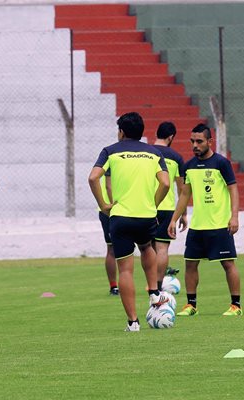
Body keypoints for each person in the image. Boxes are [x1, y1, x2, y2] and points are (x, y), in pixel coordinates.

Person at [88, 112, 170, 332]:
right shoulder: (154, 152)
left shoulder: (110, 151)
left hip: (121, 217)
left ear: (121, 132)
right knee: (146, 247)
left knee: (125, 269)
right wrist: (153, 204)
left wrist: (104, 204)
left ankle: (133, 322)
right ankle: (154, 292)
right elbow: (165, 182)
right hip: (145, 215)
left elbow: (93, 177)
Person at [168, 123, 241, 316]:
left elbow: (233, 189)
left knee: (228, 263)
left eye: (199, 141)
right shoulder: (189, 166)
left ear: (210, 141)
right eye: (192, 141)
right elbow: (185, 195)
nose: (195, 145)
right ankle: (191, 305)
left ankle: (236, 306)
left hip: (219, 224)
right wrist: (174, 219)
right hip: (198, 225)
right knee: (190, 263)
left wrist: (234, 216)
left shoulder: (221, 163)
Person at [152, 122, 187, 289]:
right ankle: (158, 286)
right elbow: (182, 189)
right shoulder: (176, 157)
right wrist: (184, 214)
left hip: (147, 206)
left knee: (148, 249)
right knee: (162, 249)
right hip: (166, 208)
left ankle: (151, 284)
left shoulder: (147, 152)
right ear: (171, 137)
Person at [98, 170, 119, 296]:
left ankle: (153, 285)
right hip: (111, 209)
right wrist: (113, 206)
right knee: (112, 247)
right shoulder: (112, 156)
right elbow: (108, 185)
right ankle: (114, 286)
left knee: (112, 248)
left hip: (120, 208)